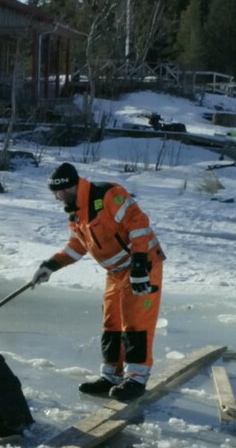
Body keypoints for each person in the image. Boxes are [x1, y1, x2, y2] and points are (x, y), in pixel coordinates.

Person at [31, 162, 166, 401]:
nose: (58, 198)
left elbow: (139, 225)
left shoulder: (108, 195)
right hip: (114, 273)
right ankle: (111, 376)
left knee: (135, 324)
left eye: (60, 193)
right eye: (55, 194)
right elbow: (77, 246)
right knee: (111, 323)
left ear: (71, 186)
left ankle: (135, 379)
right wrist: (51, 266)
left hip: (143, 266)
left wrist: (138, 265)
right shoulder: (75, 212)